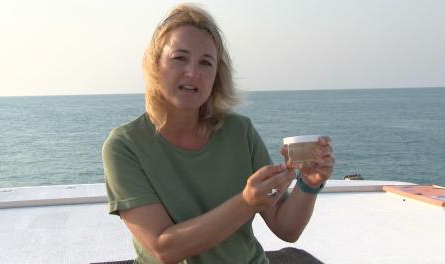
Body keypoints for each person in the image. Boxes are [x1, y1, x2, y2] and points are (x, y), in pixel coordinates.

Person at [102, 4, 334, 264]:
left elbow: (286, 228)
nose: (193, 73)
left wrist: (309, 185)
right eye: (180, 57)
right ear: (156, 64)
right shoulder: (125, 146)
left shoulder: (240, 132)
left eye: (206, 62)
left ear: (216, 75)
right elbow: (164, 248)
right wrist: (246, 203)